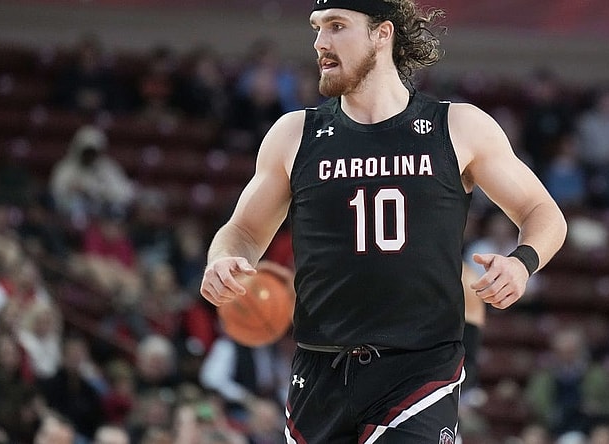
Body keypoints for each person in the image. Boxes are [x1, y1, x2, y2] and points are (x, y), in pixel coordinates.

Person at [199, 0, 567, 442]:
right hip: (319, 368)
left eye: (337, 26)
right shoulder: (294, 135)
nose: (320, 42)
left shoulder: (458, 127)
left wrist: (521, 261)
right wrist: (222, 258)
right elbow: (241, 232)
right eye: (317, 28)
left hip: (418, 367)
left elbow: (543, 212)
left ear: (382, 33)